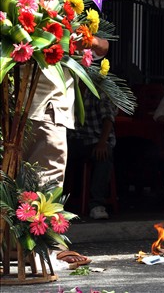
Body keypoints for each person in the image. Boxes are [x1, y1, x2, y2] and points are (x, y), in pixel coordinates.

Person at [23, 36, 109, 268]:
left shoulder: (68, 22)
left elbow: (102, 47)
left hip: (34, 109)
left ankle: (32, 249)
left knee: (31, 184)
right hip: (41, 108)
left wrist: (82, 38)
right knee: (44, 184)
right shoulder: (39, 13)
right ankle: (41, 251)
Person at [67, 86, 118, 220]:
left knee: (104, 156)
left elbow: (108, 118)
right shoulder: (69, 88)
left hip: (96, 139)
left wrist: (102, 142)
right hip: (76, 139)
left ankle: (97, 204)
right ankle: (58, 200)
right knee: (57, 153)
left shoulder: (98, 90)